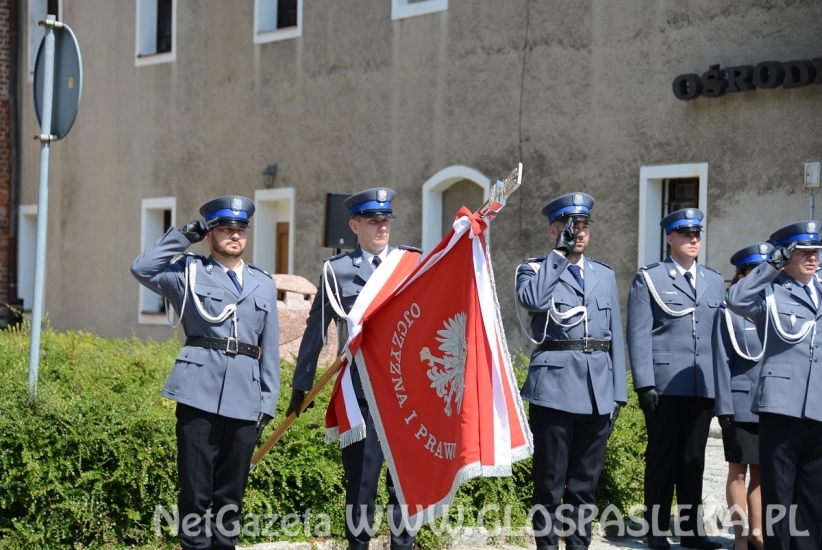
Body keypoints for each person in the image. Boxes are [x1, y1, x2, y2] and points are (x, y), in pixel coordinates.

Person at [130, 195, 281, 550]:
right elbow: (142, 267)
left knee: (231, 499)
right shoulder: (189, 272)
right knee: (195, 496)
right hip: (199, 394)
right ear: (210, 235)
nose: (234, 235)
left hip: (246, 399)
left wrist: (267, 402)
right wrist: (183, 236)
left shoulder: (264, 283)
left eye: (240, 229)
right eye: (225, 229)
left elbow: (269, 349)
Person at [286, 188, 420, 550]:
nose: (381, 227)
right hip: (361, 393)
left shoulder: (410, 263)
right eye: (373, 221)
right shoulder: (338, 270)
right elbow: (317, 330)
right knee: (361, 484)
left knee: (404, 484)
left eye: (385, 220)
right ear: (354, 225)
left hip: (405, 393)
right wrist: (302, 384)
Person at [515, 192, 627, 550]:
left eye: (583, 226)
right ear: (553, 231)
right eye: (569, 227)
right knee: (549, 486)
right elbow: (532, 300)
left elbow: (615, 337)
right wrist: (558, 257)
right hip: (555, 389)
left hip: (597, 393)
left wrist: (618, 393)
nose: (578, 233)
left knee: (584, 488)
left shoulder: (604, 274)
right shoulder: (534, 269)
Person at [627, 208, 725, 550]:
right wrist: (644, 384)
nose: (693, 239)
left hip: (701, 385)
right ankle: (655, 529)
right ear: (670, 238)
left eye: (697, 233)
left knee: (693, 460)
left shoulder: (713, 280)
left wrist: (720, 387)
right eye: (685, 234)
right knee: (662, 458)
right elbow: (638, 334)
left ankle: (690, 531)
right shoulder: (651, 278)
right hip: (665, 385)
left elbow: (719, 339)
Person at [725, 221, 822, 550]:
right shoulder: (771, 289)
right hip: (781, 406)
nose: (812, 258)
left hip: (818, 407)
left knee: (812, 498)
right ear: (787, 255)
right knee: (779, 498)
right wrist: (771, 266)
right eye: (803, 252)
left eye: (816, 251)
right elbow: (735, 300)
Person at [713, 243, 773, 550]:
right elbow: (721, 361)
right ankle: (738, 538)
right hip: (739, 404)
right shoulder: (727, 312)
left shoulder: (773, 307)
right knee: (737, 473)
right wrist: (723, 406)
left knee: (762, 474)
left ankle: (758, 535)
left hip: (770, 404)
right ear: (742, 275)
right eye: (755, 272)